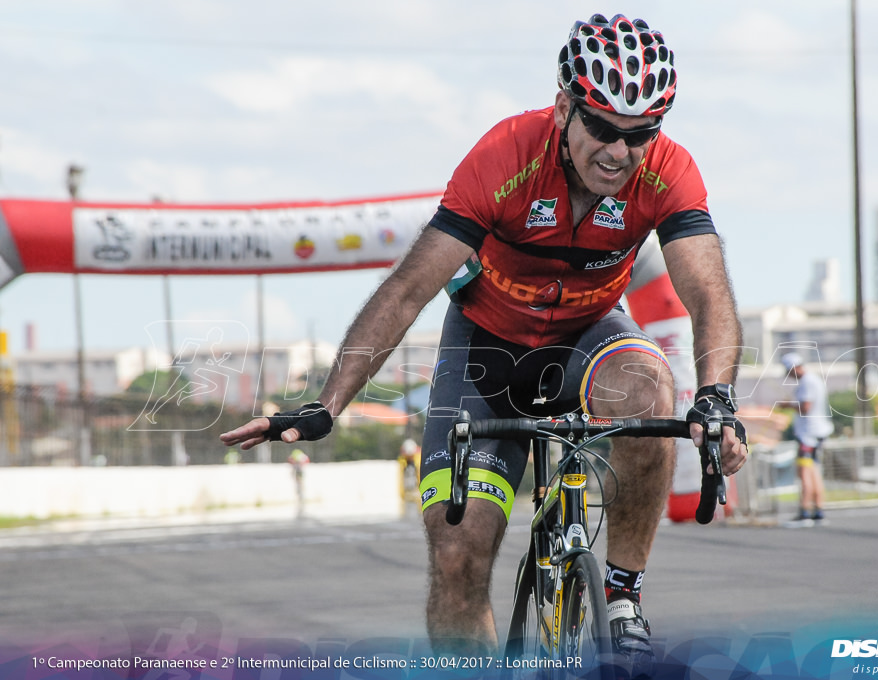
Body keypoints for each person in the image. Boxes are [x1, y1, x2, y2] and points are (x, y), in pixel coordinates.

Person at [221, 13, 748, 677]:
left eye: (640, 135)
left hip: (589, 336)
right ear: (564, 108)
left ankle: (622, 599)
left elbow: (707, 291)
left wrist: (719, 397)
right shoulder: (503, 157)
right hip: (486, 351)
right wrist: (327, 405)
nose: (619, 152)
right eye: (603, 129)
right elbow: (407, 292)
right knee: (455, 558)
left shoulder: (668, 171)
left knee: (652, 393)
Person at [779, 352, 833, 522]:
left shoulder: (806, 382)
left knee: (805, 472)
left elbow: (806, 407)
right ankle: (818, 508)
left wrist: (787, 405)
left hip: (808, 435)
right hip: (817, 433)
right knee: (814, 471)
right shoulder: (815, 379)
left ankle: (805, 509)